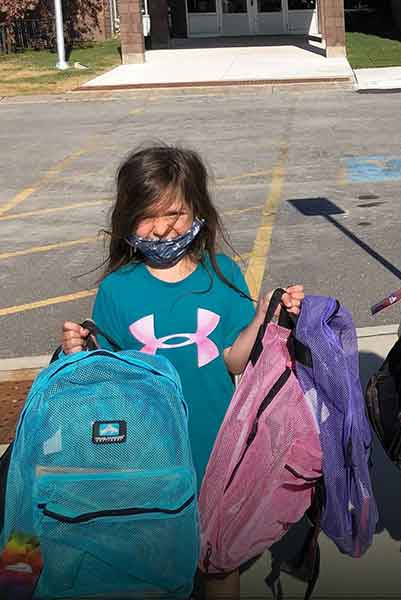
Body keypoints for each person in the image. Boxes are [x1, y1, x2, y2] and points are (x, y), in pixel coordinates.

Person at [60, 144, 304, 600]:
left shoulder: (223, 273)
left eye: (173, 213)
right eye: (146, 216)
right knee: (157, 564)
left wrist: (263, 319)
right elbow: (110, 378)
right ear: (126, 220)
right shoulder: (116, 289)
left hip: (216, 447)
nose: (161, 228)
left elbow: (234, 358)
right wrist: (81, 350)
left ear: (198, 212)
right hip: (149, 454)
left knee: (217, 561)